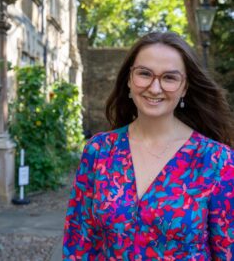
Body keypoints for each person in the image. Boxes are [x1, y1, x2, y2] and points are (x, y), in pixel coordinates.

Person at [63, 32, 234, 260]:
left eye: (169, 78)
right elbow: (79, 243)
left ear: (184, 88)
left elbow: (227, 250)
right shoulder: (100, 151)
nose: (154, 88)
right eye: (144, 74)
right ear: (129, 80)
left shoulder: (216, 161)